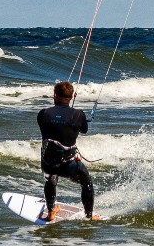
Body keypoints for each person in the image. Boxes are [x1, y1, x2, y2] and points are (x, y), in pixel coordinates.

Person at [37, 81, 96, 221]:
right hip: (69, 165)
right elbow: (84, 130)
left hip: (47, 163)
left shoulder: (43, 114)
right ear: (71, 97)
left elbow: (54, 125)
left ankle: (51, 211)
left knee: (51, 178)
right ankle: (89, 216)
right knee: (86, 182)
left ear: (55, 95)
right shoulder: (78, 115)